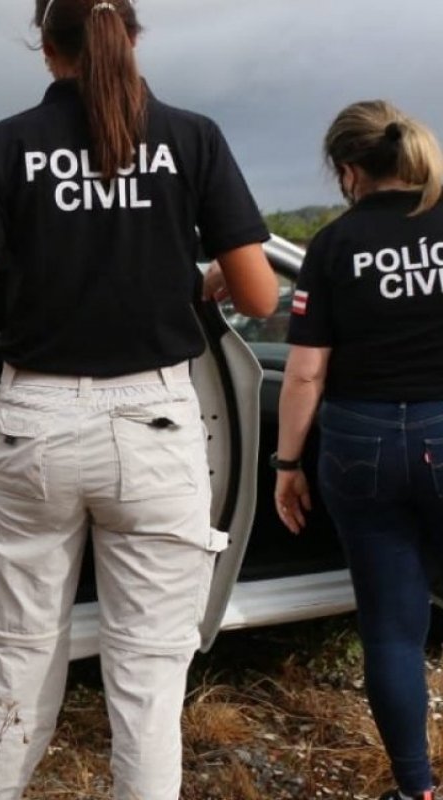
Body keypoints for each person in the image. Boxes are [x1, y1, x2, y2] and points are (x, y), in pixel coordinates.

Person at [0, 1, 278, 798]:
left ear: (45, 47)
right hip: (156, 426)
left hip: (32, 425)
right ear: (131, 39)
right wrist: (192, 278)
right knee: (148, 684)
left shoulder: (9, 143)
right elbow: (260, 295)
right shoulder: (193, 136)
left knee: (13, 664)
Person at [274, 100, 443, 800]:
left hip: (359, 443)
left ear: (348, 171)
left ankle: (416, 790)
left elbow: (307, 371)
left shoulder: (334, 245)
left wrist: (286, 465)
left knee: (394, 631)